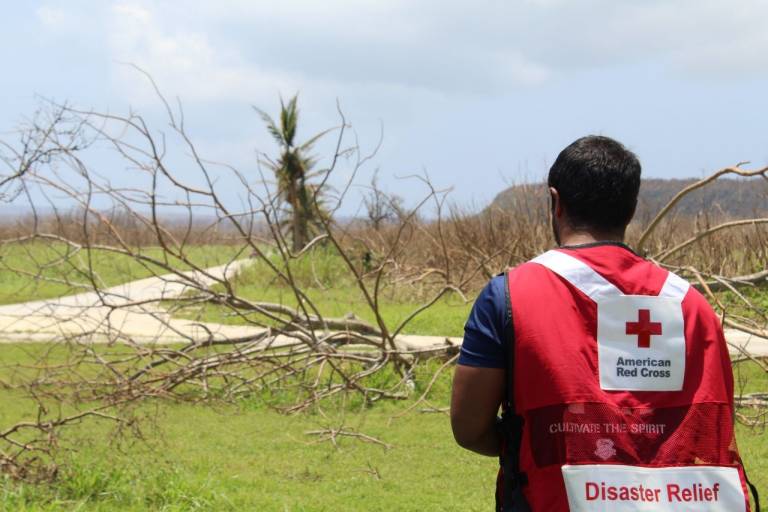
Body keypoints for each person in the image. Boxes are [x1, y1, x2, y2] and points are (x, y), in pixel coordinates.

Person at [450, 136, 755, 511]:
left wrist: (540, 441)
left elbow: (469, 427)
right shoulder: (691, 304)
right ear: (630, 208)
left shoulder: (508, 296)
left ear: (556, 202)